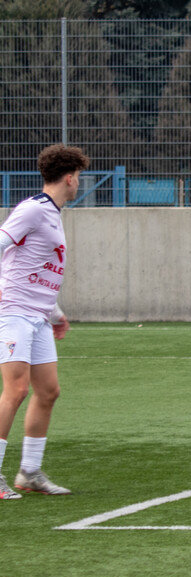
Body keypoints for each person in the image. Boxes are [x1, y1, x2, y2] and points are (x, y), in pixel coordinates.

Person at [0, 144, 86, 499]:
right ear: (69, 178)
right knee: (16, 390)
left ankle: (30, 472)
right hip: (14, 312)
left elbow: (39, 269)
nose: (78, 183)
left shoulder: (52, 214)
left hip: (37, 316)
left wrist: (55, 313)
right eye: (78, 177)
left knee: (48, 391)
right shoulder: (33, 210)